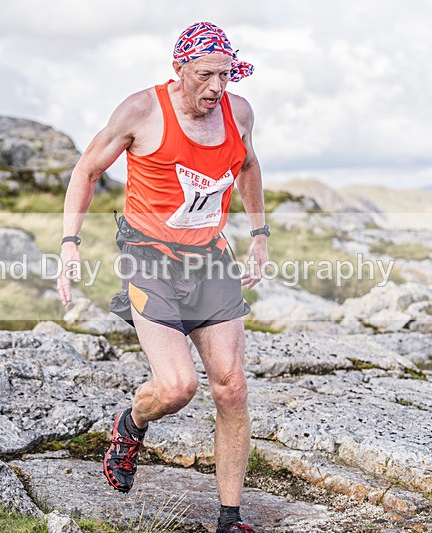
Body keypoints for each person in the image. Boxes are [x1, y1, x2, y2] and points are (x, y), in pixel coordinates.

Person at [57, 21, 268, 533]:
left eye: (225, 74)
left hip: (211, 260)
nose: (217, 87)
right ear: (179, 68)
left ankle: (229, 518)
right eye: (205, 75)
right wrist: (69, 244)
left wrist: (259, 232)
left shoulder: (237, 112)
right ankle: (131, 423)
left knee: (232, 387)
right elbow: (86, 171)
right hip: (149, 259)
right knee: (176, 387)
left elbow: (248, 167)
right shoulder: (141, 111)